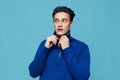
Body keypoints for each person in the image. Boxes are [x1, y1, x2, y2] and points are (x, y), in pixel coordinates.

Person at [29, 6, 90, 80]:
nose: (59, 24)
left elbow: (83, 77)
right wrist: (45, 49)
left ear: (70, 24)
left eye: (64, 21)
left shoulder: (82, 47)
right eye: (56, 21)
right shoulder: (45, 44)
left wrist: (67, 49)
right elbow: (33, 72)